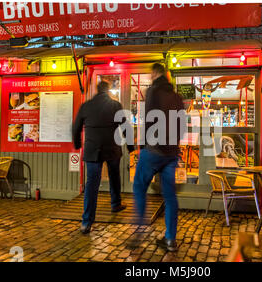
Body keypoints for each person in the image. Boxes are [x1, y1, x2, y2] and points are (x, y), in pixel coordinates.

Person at [131, 63, 186, 251]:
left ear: (155, 74)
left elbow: (149, 120)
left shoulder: (152, 92)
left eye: (150, 74)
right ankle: (170, 239)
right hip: (171, 153)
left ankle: (140, 230)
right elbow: (182, 125)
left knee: (139, 186)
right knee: (170, 197)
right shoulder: (178, 97)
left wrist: (143, 145)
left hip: (154, 150)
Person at [72, 80, 133, 234]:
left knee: (92, 185)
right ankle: (116, 203)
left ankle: (86, 222)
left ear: (97, 91)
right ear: (107, 91)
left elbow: (76, 127)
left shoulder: (86, 106)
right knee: (114, 175)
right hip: (112, 148)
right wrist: (131, 147)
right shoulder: (115, 105)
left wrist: (78, 144)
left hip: (92, 149)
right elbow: (126, 127)